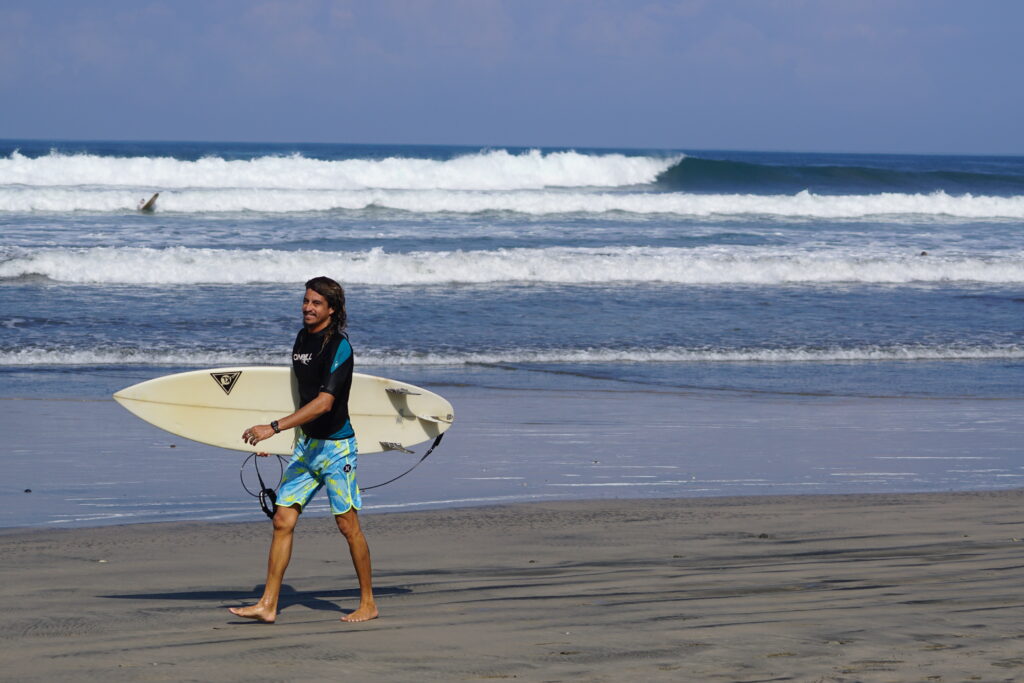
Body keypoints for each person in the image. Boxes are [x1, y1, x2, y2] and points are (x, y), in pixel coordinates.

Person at [229, 276, 377, 624]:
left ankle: (368, 602)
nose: (307, 308)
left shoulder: (339, 346)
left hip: (337, 449)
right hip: (307, 446)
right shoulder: (301, 339)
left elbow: (325, 403)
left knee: (347, 525)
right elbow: (300, 395)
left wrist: (274, 427)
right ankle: (268, 604)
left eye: (316, 303)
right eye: (306, 301)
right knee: (283, 520)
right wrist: (279, 440)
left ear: (332, 309)